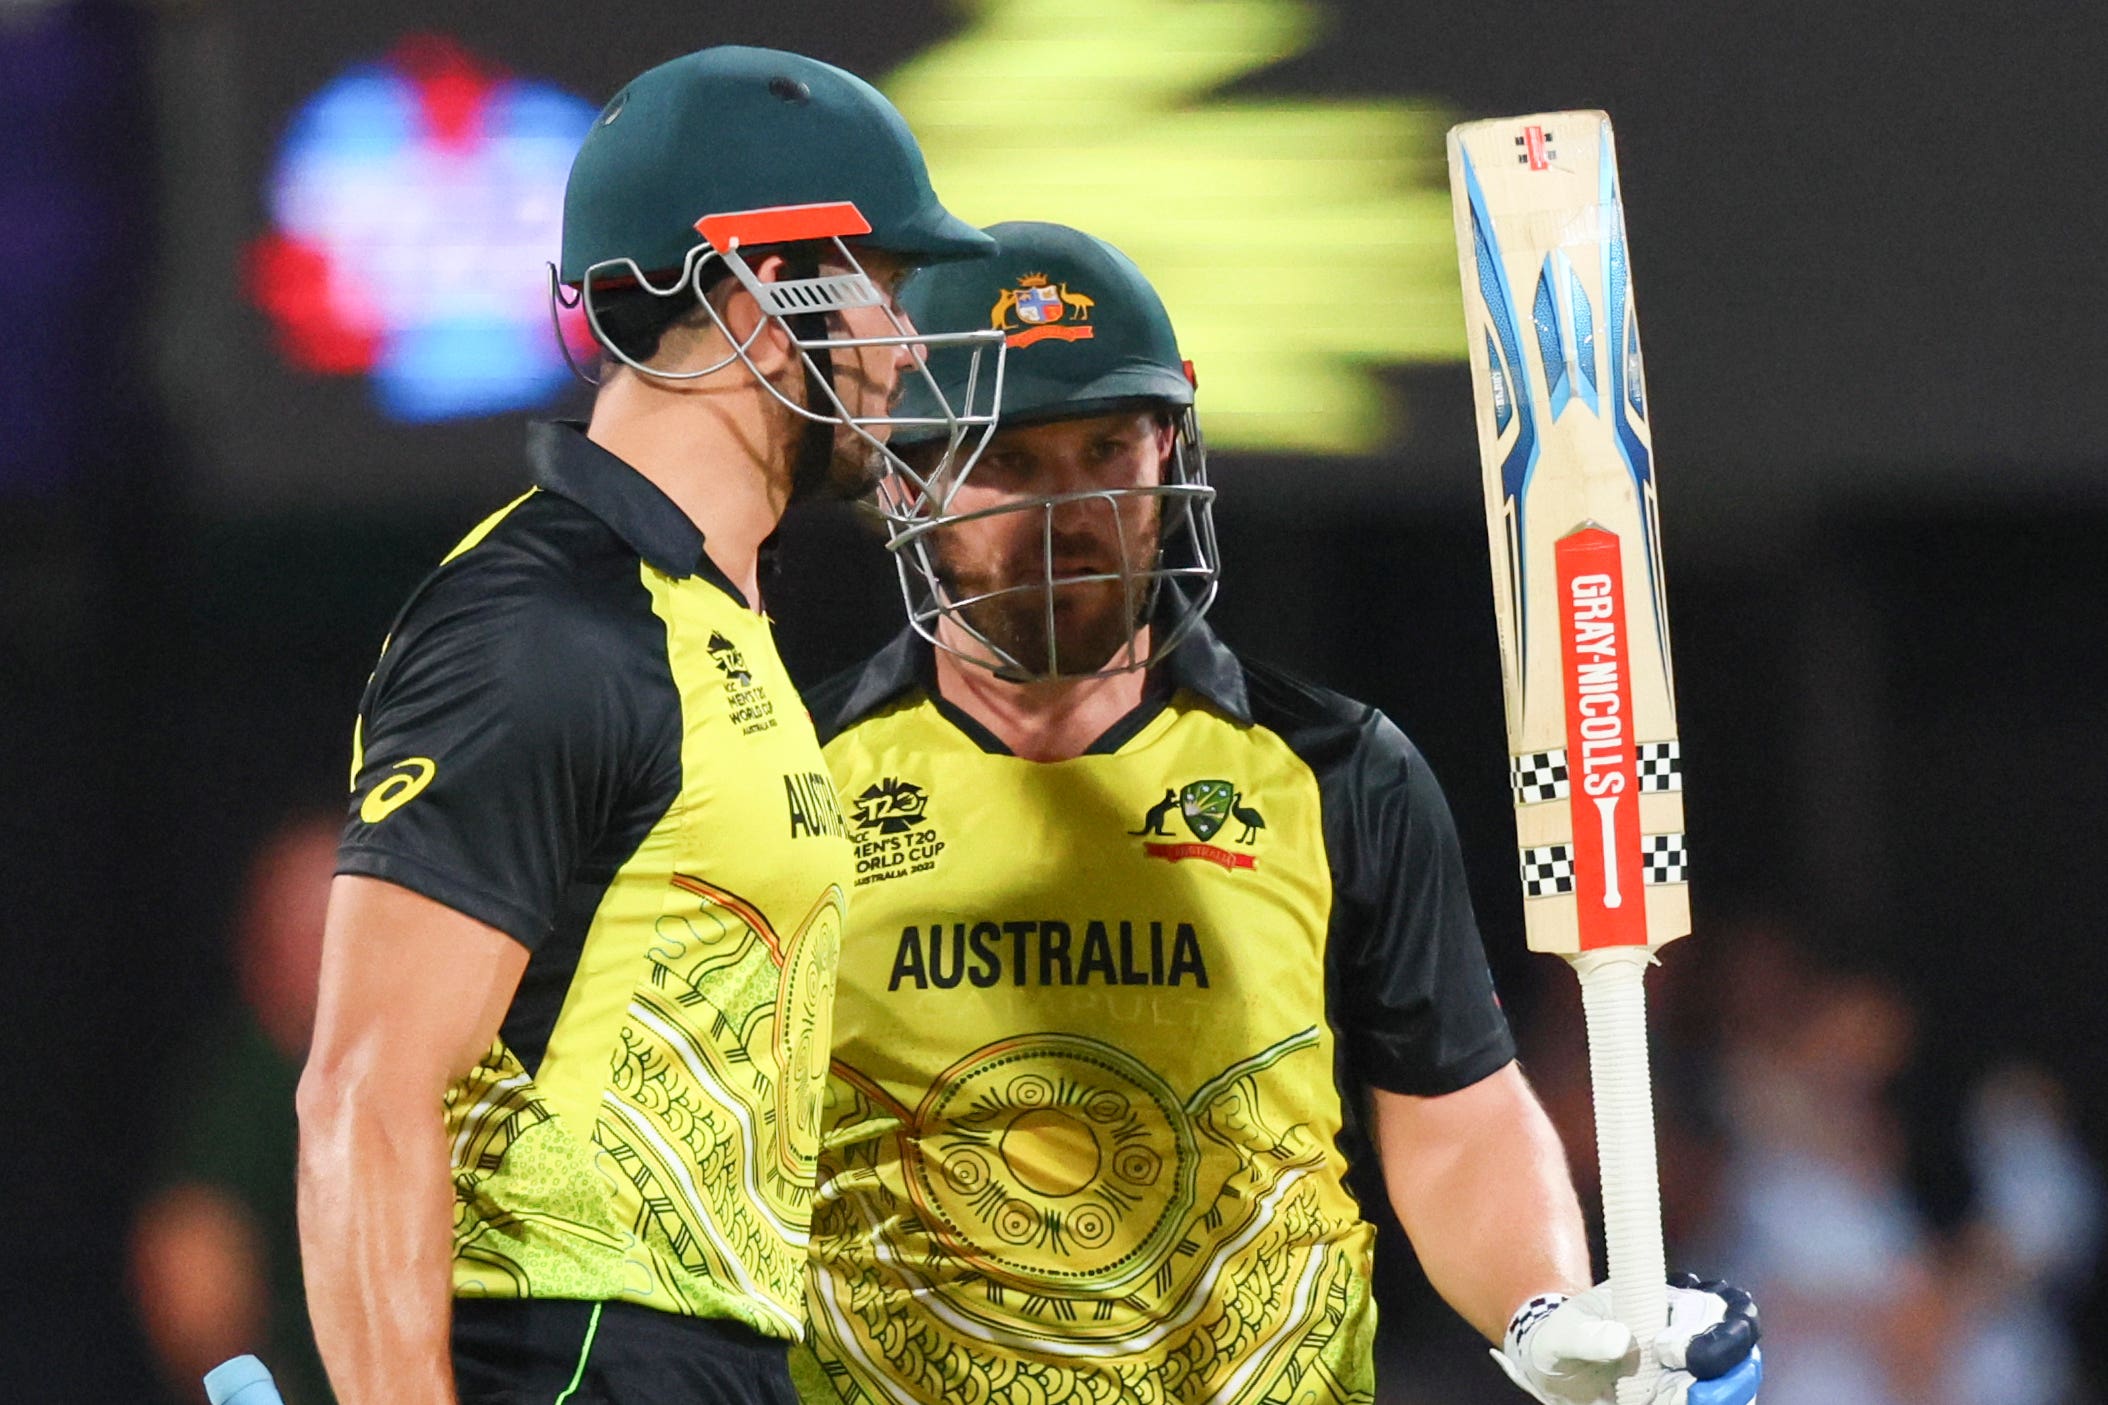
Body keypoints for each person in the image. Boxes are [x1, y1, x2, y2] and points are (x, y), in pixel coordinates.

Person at [790, 222, 1762, 1405]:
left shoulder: (1335, 768)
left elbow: (1452, 1119)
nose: (1071, 507)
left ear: (1172, 452)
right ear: (900, 476)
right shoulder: (788, 775)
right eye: (1009, 462)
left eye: (1107, 448)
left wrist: (1546, 1317)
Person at [296, 46, 1000, 1405]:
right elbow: (365, 1095)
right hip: (570, 1357)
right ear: (759, 301)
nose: (908, 346)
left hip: (704, 1354)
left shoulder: (708, 619)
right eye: (888, 295)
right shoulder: (544, 626)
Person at [132, 814, 339, 1405]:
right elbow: (189, 1266)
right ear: (258, 945)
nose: (327, 951)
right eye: (308, 929)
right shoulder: (251, 1088)